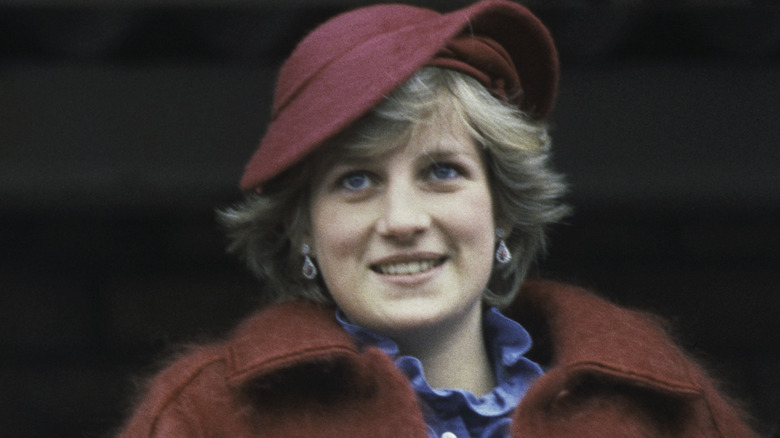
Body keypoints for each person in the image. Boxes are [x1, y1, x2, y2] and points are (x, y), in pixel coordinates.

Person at [117, 1, 758, 437]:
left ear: (502, 209)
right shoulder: (209, 415)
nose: (401, 219)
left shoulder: (665, 410)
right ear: (302, 229)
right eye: (356, 180)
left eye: (442, 172)